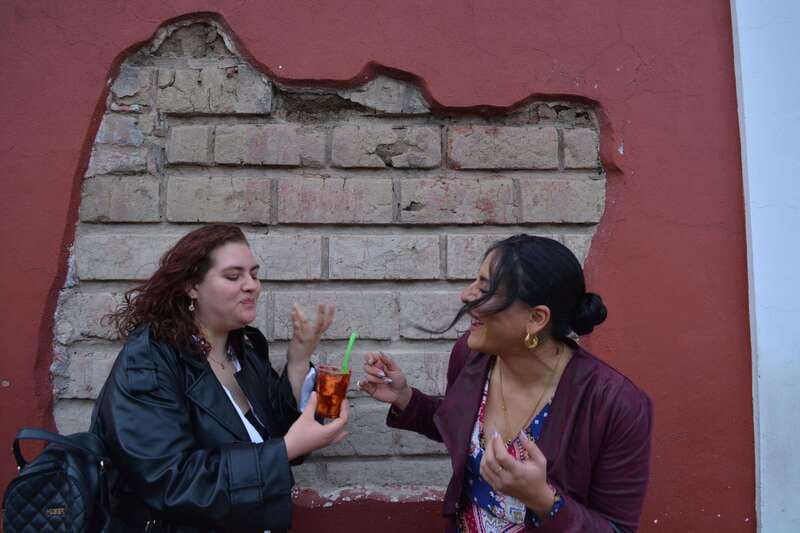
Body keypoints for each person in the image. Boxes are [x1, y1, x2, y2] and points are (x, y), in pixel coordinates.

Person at [360, 235, 652, 532]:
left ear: (536, 318)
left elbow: (618, 528)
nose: (465, 295)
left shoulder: (615, 404)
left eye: (484, 289)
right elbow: (463, 430)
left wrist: (543, 499)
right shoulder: (471, 356)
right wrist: (406, 398)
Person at [92, 224, 348, 532]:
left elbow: (269, 438)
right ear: (192, 287)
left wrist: (298, 360)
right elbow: (171, 482)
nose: (252, 285)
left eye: (254, 274)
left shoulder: (244, 349)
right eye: (233, 276)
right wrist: (286, 450)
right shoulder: (149, 360)